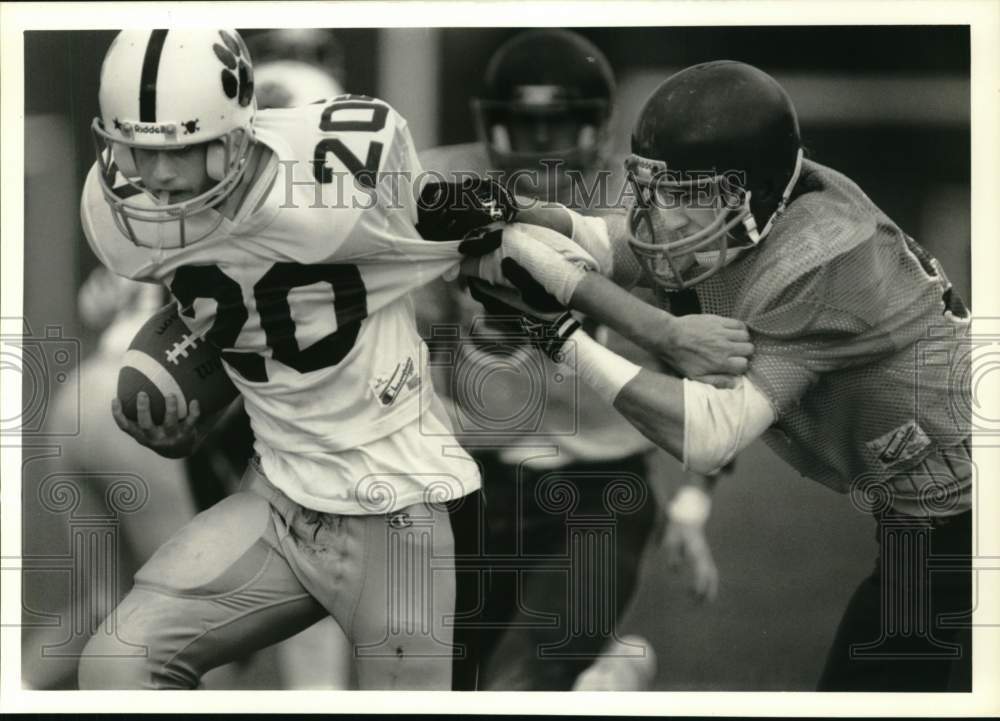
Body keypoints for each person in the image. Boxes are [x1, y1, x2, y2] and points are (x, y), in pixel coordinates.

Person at [461, 60, 972, 691]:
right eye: (656, 187)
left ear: (751, 192)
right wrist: (520, 212)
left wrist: (558, 336)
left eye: (687, 193)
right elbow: (606, 241)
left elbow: (711, 434)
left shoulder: (824, 256)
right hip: (928, 522)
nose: (662, 212)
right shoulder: (772, 209)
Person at [75, 27, 493, 690]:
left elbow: (477, 238)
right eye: (136, 148)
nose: (154, 174)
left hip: (395, 497)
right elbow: (227, 305)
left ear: (236, 136)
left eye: (178, 149)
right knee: (115, 666)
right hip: (278, 489)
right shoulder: (136, 205)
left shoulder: (334, 168)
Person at [415, 29, 719, 691]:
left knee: (518, 685)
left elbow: (710, 371)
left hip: (602, 491)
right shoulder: (442, 188)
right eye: (524, 126)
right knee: (446, 686)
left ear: (600, 128)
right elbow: (418, 341)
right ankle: (606, 670)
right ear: (489, 125)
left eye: (560, 127)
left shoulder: (645, 213)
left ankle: (590, 667)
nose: (541, 148)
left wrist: (693, 503)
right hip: (479, 486)